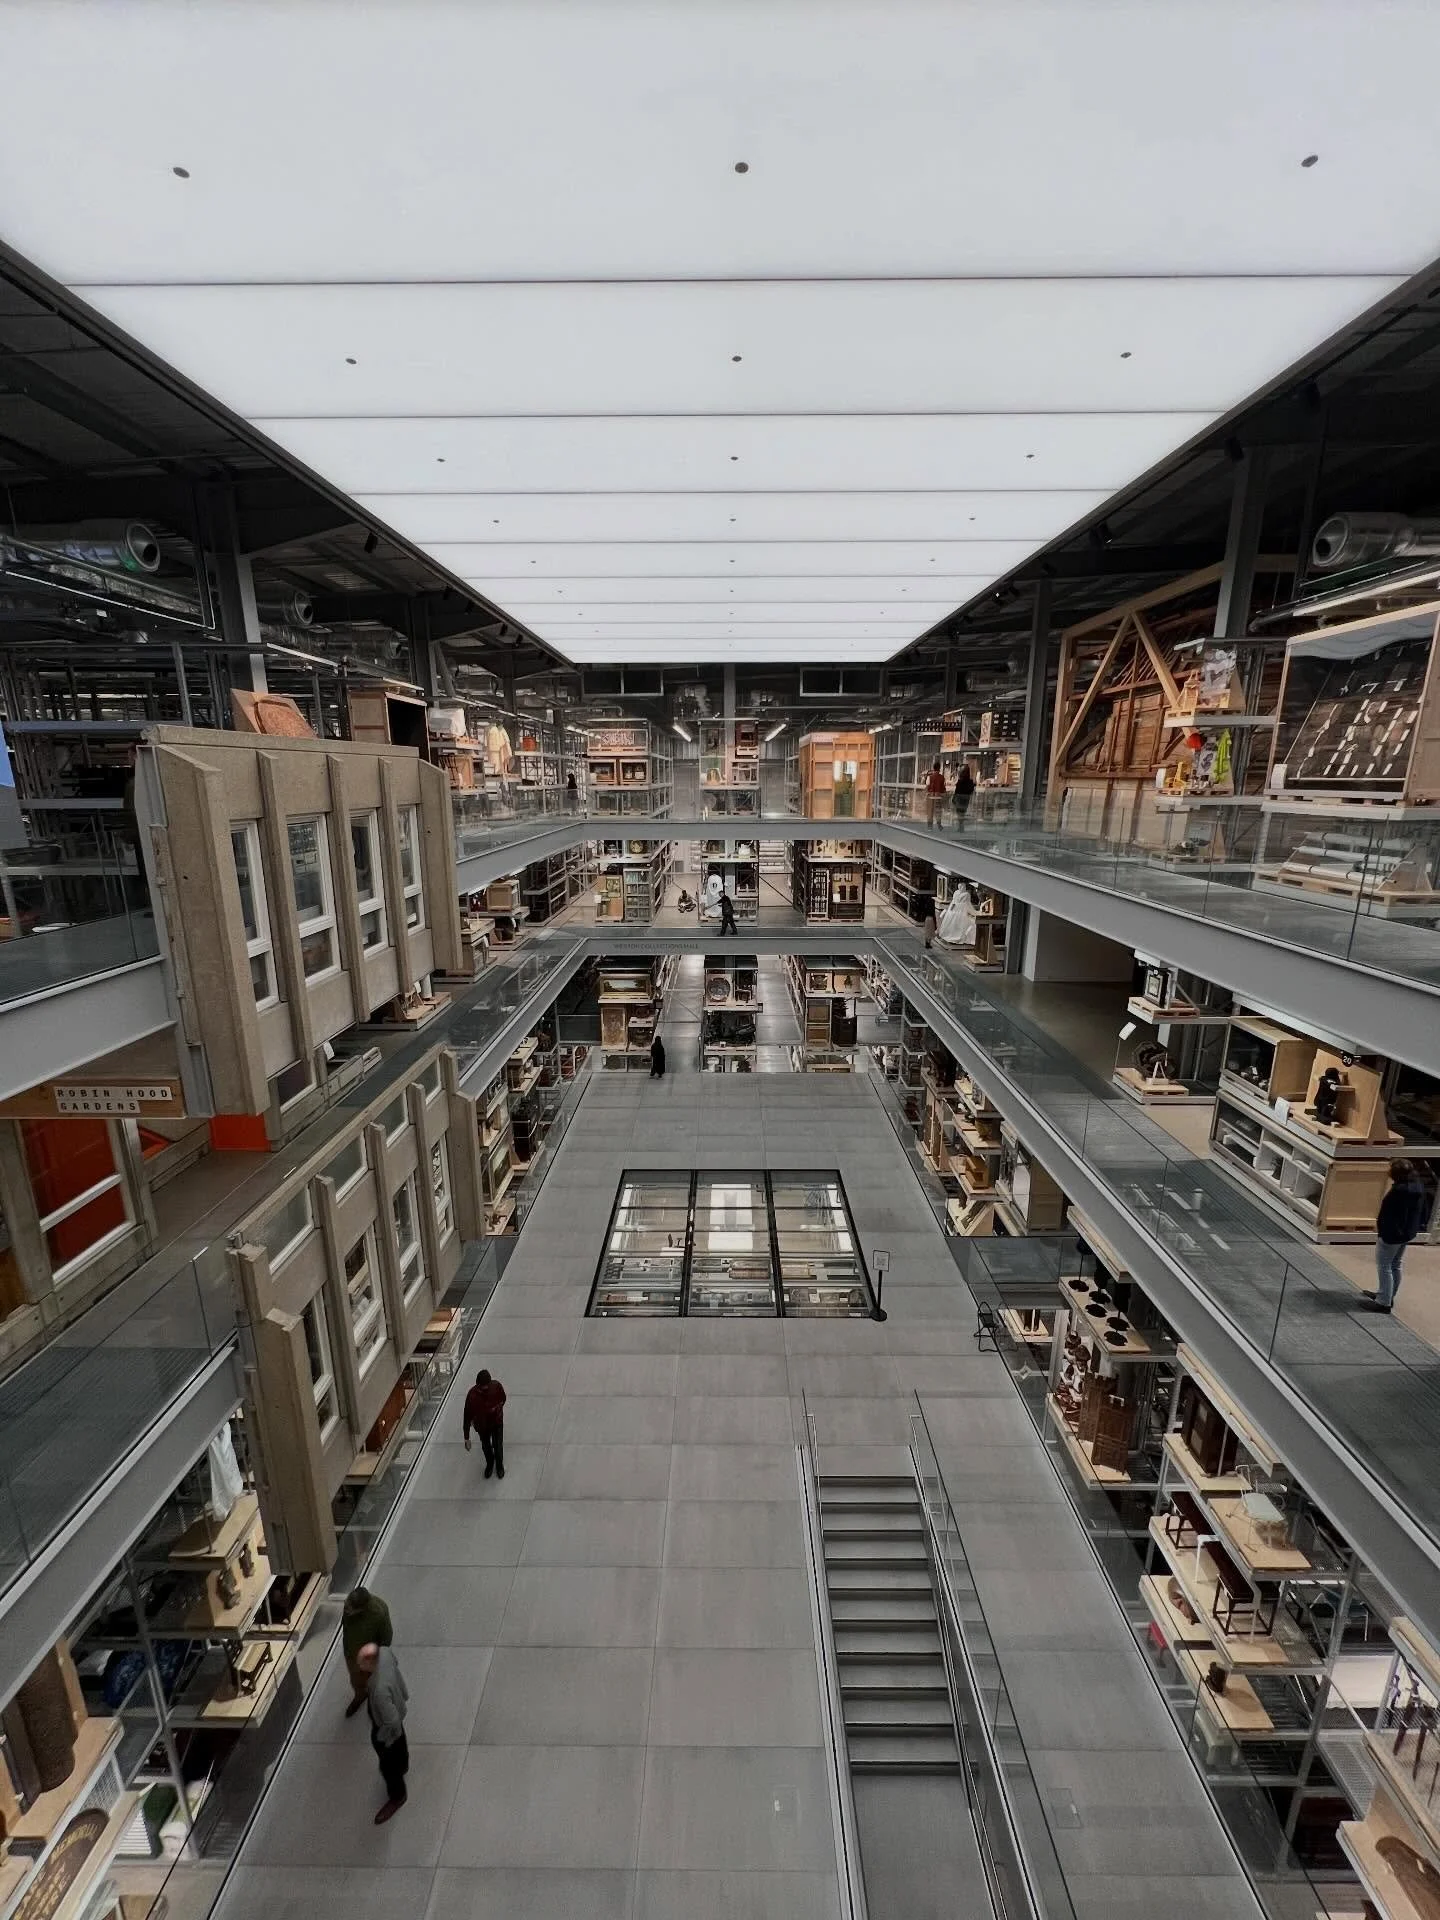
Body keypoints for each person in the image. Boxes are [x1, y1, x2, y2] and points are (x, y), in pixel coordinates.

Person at [1367, 1159, 1429, 1312]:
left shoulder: (1398, 1191)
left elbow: (1388, 1214)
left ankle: (1383, 1303)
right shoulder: (1418, 1186)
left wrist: (1383, 1232)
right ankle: (1388, 1296)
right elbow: (1423, 1210)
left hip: (1391, 1234)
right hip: (1407, 1232)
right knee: (1395, 1264)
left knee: (1384, 1266)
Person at [357, 1642, 409, 1824]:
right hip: (398, 1703)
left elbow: (391, 1721)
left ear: (369, 1662)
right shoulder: (386, 1653)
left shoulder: (378, 1689)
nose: (360, 1667)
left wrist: (383, 1737)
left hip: (386, 1728)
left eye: (361, 1664)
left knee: (389, 1766)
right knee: (401, 1741)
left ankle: (397, 1795)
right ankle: (403, 1764)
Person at [342, 1585, 393, 1719]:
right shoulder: (349, 1606)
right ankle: (360, 1695)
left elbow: (386, 1638)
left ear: (361, 1609)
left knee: (374, 1682)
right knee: (356, 1679)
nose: (346, 1609)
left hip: (369, 1657)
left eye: (350, 1608)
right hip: (351, 1653)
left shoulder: (378, 1614)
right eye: (347, 1604)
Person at [463, 1367, 507, 1477]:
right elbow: (467, 1415)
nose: (485, 1389)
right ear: (477, 1384)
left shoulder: (496, 1386)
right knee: (486, 1447)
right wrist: (466, 1437)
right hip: (482, 1426)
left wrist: (497, 1409)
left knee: (498, 1446)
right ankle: (490, 1463)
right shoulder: (472, 1395)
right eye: (482, 1387)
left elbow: (503, 1399)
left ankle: (499, 1466)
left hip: (496, 1422)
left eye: (486, 1386)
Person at [952, 762, 976, 828]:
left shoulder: (960, 781)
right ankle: (961, 825)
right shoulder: (970, 781)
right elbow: (971, 790)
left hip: (959, 797)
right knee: (963, 811)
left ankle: (961, 825)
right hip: (966, 798)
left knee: (959, 812)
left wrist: (954, 798)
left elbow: (957, 790)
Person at [924, 759, 947, 828]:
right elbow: (943, 787)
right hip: (939, 795)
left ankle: (930, 826)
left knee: (930, 811)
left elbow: (927, 786)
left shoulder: (930, 777)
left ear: (933, 768)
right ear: (939, 768)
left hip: (931, 795)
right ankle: (939, 824)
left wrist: (926, 793)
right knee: (938, 811)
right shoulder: (942, 777)